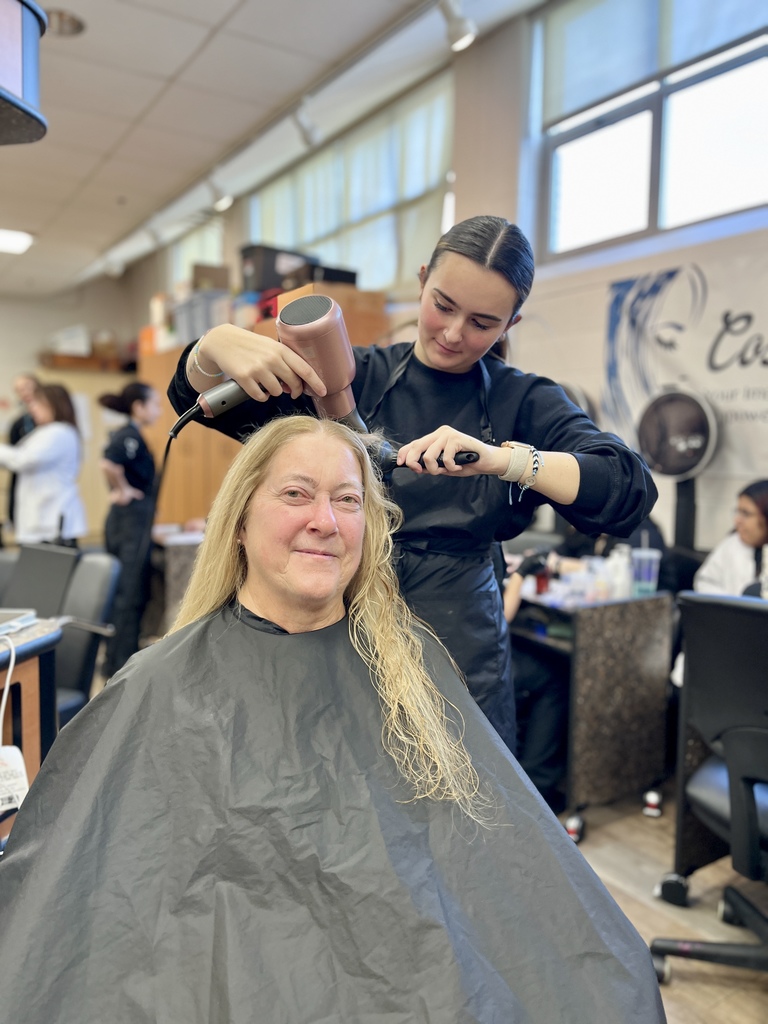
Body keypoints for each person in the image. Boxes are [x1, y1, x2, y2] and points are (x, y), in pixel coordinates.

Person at [0, 415, 666, 1023]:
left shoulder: (413, 674)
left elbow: (504, 873)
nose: (325, 520)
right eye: (295, 495)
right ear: (239, 519)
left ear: (368, 528)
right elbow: (81, 909)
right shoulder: (157, 684)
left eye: (347, 500)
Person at [168, 215, 658, 755]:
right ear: (423, 280)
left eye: (482, 322)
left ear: (510, 325)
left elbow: (627, 489)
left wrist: (504, 461)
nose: (453, 333)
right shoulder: (348, 374)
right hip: (338, 624)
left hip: (459, 644)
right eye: (443, 305)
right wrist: (208, 350)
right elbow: (203, 405)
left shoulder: (525, 401)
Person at [97, 382, 163, 677]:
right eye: (155, 404)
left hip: (136, 521)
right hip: (129, 522)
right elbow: (108, 463)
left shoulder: (135, 436)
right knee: (128, 592)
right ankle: (119, 664)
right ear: (138, 406)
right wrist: (122, 490)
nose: (158, 411)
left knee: (134, 588)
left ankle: (122, 657)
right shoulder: (127, 436)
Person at [0, 382, 86, 546]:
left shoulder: (60, 432)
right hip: (40, 519)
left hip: (52, 522)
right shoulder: (44, 432)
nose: (32, 409)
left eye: (37, 403)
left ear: (54, 405)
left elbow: (22, 459)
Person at [693, 479, 768, 595]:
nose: (737, 520)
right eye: (738, 512)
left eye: (746, 514)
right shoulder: (732, 544)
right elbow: (704, 582)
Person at [2, 374, 41, 546]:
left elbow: (29, 458)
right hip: (22, 481)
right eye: (18, 390)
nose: (23, 392)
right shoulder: (18, 423)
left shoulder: (55, 426)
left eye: (26, 386)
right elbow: (13, 456)